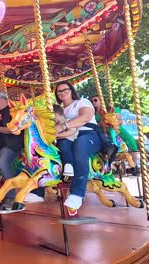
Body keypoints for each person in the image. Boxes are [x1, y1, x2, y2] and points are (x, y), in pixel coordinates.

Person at [0, 89, 44, 217]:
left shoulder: (12, 111)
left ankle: (11, 197)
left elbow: (13, 128)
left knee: (4, 162)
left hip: (11, 146)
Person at [54, 81, 102, 216]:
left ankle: (77, 194)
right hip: (66, 137)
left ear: (71, 90)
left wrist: (63, 126)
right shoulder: (58, 110)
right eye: (59, 91)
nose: (62, 93)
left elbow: (85, 117)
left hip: (88, 134)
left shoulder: (81, 102)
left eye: (65, 90)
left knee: (80, 147)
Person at [91, 95, 140, 176]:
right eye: (92, 101)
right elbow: (94, 124)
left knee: (131, 140)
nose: (93, 102)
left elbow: (120, 121)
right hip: (102, 130)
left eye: (95, 100)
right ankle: (107, 162)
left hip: (117, 129)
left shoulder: (113, 109)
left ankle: (134, 165)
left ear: (101, 100)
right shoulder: (93, 113)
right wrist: (102, 122)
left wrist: (113, 122)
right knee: (104, 140)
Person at [53, 104, 78, 177]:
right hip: (59, 143)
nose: (51, 119)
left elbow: (72, 131)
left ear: (57, 113)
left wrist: (57, 135)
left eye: (52, 115)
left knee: (63, 144)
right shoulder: (55, 126)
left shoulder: (68, 121)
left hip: (69, 141)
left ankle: (69, 165)